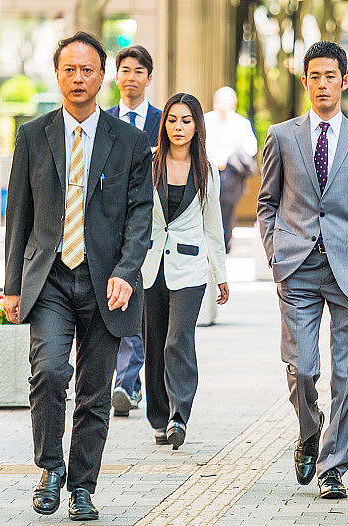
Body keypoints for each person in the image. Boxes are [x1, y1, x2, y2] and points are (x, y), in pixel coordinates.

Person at [3, 31, 153, 520]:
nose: (78, 78)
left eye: (88, 70)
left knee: (94, 390)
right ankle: (50, 469)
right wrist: (11, 287)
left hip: (106, 283)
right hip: (48, 278)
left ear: (102, 76)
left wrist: (128, 272)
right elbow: (19, 216)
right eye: (70, 69)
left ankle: (83, 486)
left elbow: (139, 215)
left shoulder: (129, 141)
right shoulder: (32, 135)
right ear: (58, 73)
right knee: (48, 372)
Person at [257, 41, 348, 499]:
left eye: (332, 76)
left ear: (344, 81)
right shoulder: (282, 135)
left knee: (347, 372)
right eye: (315, 76)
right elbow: (267, 202)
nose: (323, 84)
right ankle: (309, 429)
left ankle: (334, 466)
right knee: (303, 367)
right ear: (305, 80)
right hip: (296, 268)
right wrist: (275, 251)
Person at [140, 92, 229, 450]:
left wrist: (220, 273)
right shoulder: (148, 163)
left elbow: (213, 225)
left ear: (197, 126)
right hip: (150, 265)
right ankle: (159, 419)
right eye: (173, 120)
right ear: (164, 125)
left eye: (186, 120)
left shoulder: (206, 169)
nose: (179, 127)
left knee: (178, 339)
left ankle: (179, 414)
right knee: (154, 342)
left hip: (190, 268)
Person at [106, 44, 163, 418]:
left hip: (152, 228)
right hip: (109, 230)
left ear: (149, 77)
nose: (131, 78)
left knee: (142, 310)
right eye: (125, 70)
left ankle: (127, 382)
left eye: (138, 71)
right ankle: (127, 382)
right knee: (119, 302)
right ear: (116, 76)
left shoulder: (165, 121)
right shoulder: (103, 119)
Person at [204, 86, 258, 253]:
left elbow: (251, 148)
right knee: (207, 207)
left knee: (228, 209)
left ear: (234, 104)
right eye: (219, 102)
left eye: (226, 103)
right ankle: (208, 244)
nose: (222, 106)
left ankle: (225, 246)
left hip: (230, 173)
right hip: (208, 170)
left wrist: (234, 155)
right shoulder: (206, 120)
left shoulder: (241, 123)